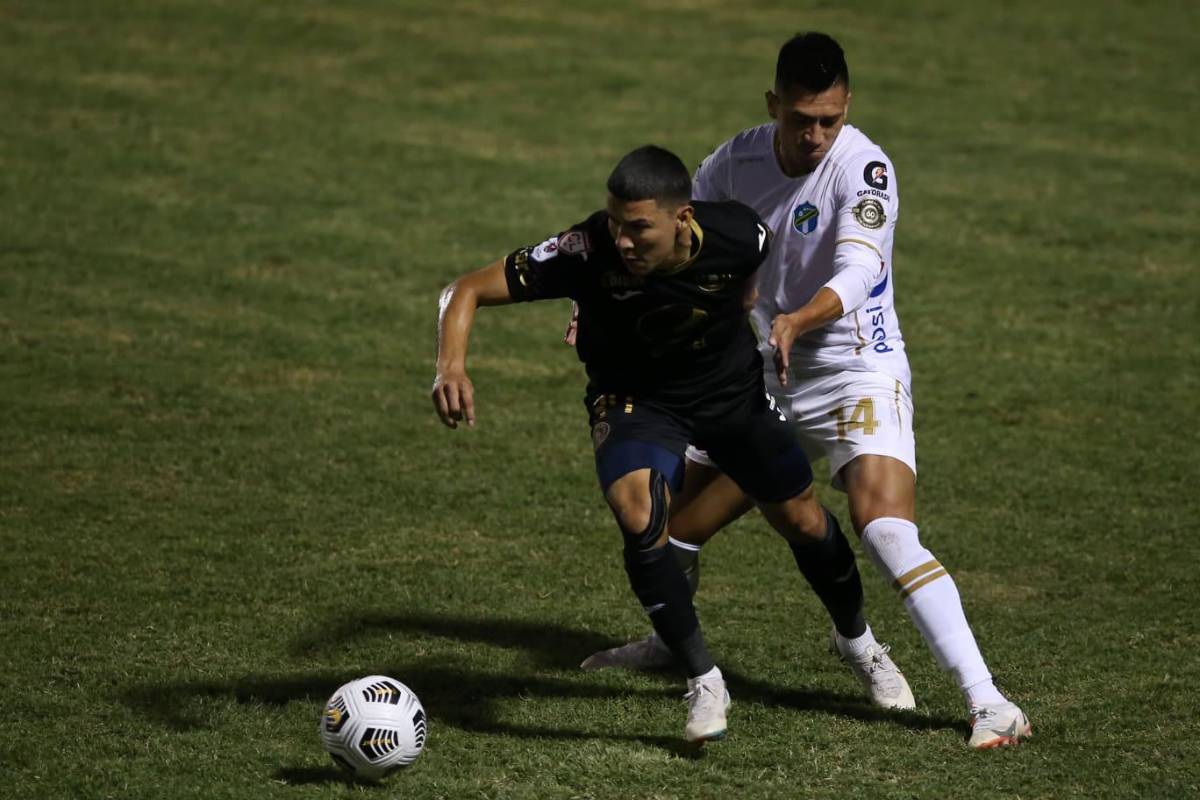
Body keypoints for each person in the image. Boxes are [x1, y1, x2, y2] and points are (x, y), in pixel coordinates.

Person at [579, 33, 1032, 750]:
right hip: (758, 373)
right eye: (801, 120)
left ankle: (987, 700)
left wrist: (796, 318)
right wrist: (601, 303)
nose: (816, 136)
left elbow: (859, 274)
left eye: (829, 119)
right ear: (774, 107)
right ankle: (672, 645)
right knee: (667, 528)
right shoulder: (733, 162)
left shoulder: (866, 169)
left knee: (884, 529)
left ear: (846, 107)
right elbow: (669, 243)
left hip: (855, 367)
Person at [433, 144, 891, 744]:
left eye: (638, 229)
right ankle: (704, 678)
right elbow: (463, 289)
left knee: (802, 520)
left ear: (684, 218)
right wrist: (451, 366)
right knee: (638, 512)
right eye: (616, 223)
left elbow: (756, 257)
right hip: (637, 402)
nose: (622, 241)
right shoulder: (586, 250)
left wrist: (746, 301)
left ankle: (857, 640)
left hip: (731, 397)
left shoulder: (739, 233)